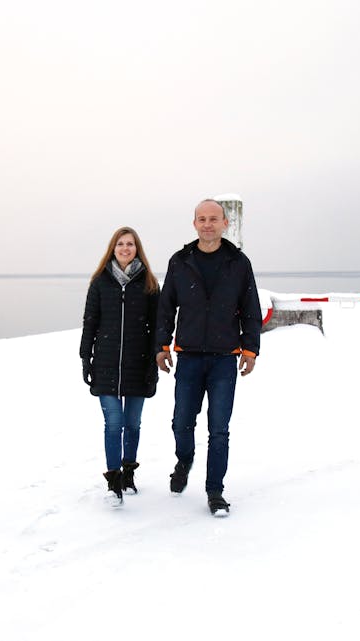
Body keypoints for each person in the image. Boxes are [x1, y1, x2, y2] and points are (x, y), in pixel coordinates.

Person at [155, 199, 261, 516]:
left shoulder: (239, 263)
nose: (207, 224)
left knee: (219, 429)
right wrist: (162, 345)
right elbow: (165, 308)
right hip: (188, 358)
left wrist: (250, 349)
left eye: (214, 219)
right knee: (181, 423)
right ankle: (184, 459)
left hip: (224, 360)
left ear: (225, 224)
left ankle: (215, 491)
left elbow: (251, 311)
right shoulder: (180, 261)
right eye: (202, 219)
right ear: (194, 224)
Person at [80, 226, 160, 505]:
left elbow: (157, 328)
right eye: (120, 244)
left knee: (132, 424)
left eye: (130, 244)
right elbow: (90, 322)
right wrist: (85, 357)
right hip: (105, 362)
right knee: (113, 424)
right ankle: (113, 481)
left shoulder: (149, 283)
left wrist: (154, 361)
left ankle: (128, 473)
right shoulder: (100, 282)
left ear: (137, 249)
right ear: (112, 249)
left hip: (138, 364)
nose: (125, 248)